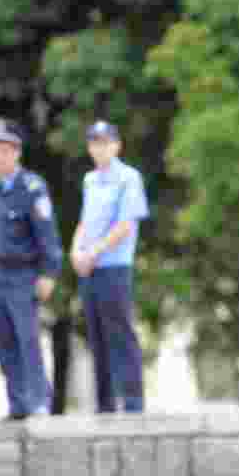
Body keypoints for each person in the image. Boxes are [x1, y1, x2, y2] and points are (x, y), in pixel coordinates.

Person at [0, 118, 62, 420]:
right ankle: (18, 404)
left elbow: (47, 234)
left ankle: (39, 402)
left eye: (5, 150)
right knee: (3, 340)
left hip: (22, 275)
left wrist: (49, 273)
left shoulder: (32, 187)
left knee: (27, 339)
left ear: (16, 153)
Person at [70, 120, 149, 414]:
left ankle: (132, 403)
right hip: (89, 268)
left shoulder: (129, 178)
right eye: (94, 143)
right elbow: (84, 222)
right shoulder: (90, 180)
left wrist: (93, 252)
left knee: (120, 333)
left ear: (117, 145)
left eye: (105, 142)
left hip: (114, 266)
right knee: (96, 336)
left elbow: (126, 225)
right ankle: (104, 404)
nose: (99, 148)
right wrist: (75, 251)